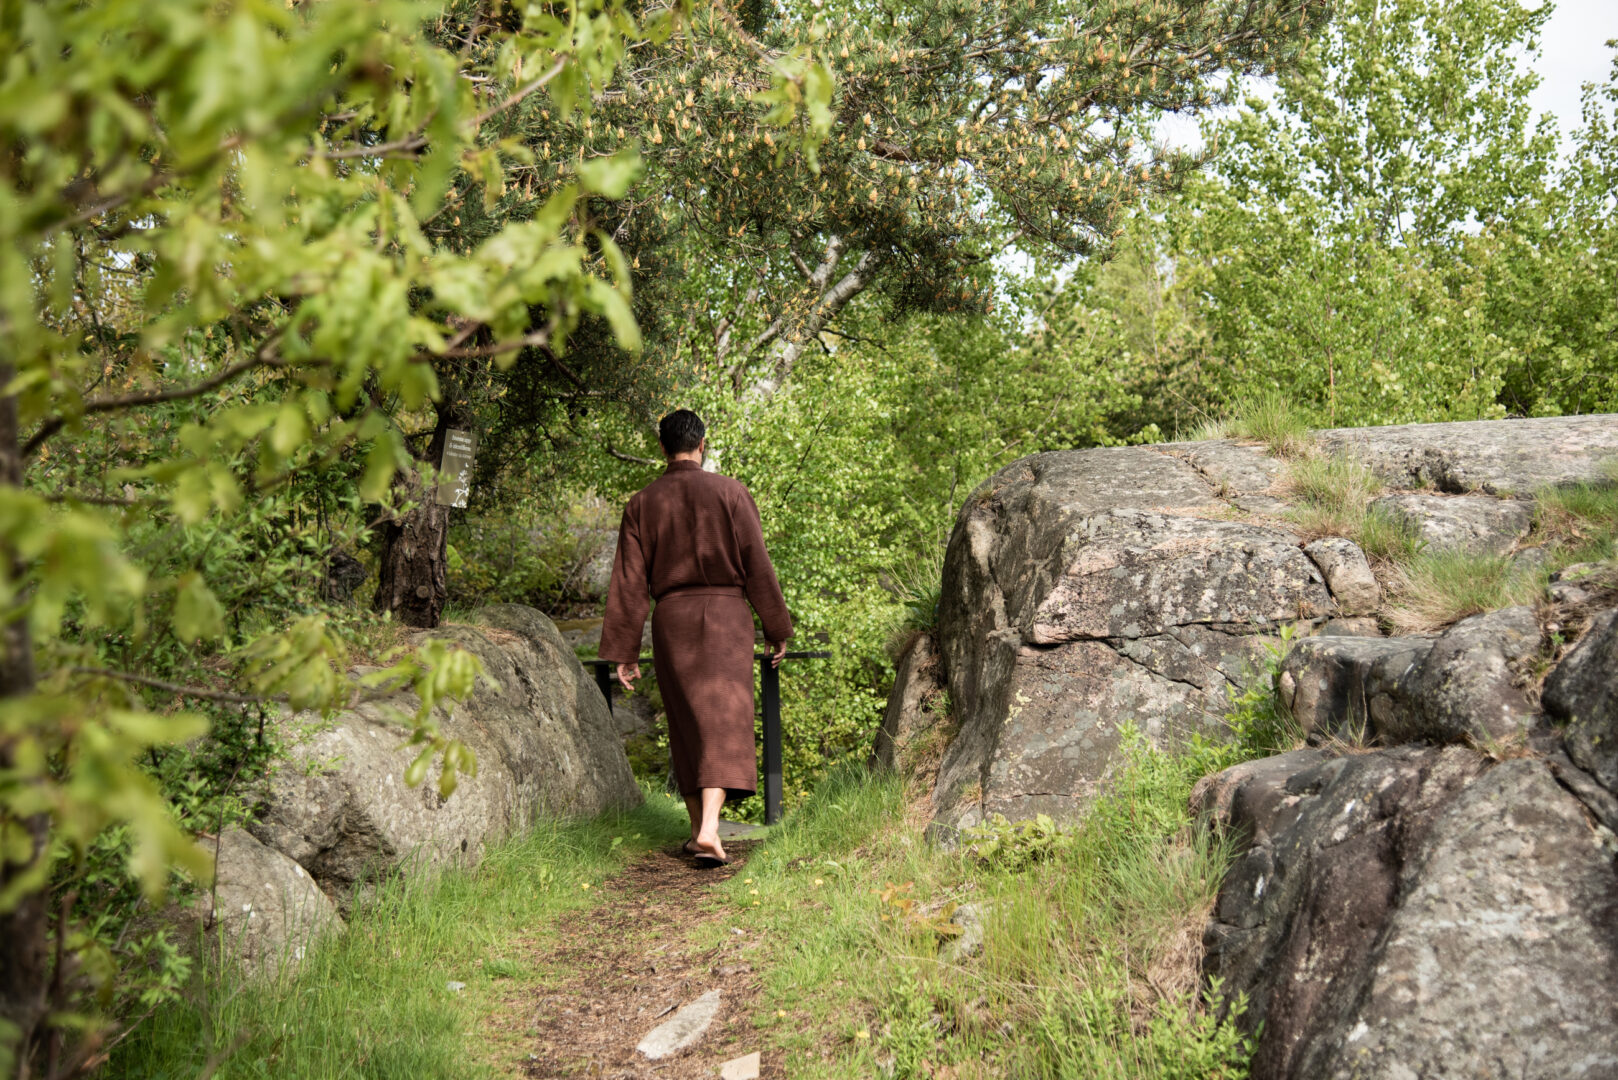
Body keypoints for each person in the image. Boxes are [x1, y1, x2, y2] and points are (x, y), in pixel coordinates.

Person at [599, 410, 793, 867]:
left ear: (662, 448)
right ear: (701, 444)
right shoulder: (731, 492)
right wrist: (776, 626)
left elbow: (629, 582)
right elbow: (757, 563)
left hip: (673, 621)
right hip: (727, 619)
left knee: (687, 723)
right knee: (724, 720)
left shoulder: (641, 504)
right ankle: (706, 831)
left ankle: (699, 832)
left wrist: (625, 651)